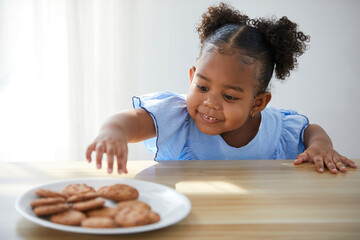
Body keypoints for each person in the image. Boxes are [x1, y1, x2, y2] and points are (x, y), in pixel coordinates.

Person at [86, 2, 356, 174]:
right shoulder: (176, 117)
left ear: (258, 103)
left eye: (228, 96)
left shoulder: (276, 130)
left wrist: (321, 145)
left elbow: (310, 130)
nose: (210, 103)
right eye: (202, 86)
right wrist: (113, 132)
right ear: (192, 76)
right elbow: (131, 121)